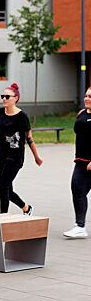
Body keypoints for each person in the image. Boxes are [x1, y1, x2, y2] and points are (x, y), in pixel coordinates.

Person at [0, 82, 43, 214]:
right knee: (7, 189)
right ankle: (26, 208)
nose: (4, 99)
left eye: (7, 97)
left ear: (16, 98)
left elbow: (29, 138)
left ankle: (3, 217)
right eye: (3, 96)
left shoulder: (22, 117)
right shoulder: (0, 112)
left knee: (3, 185)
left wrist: (36, 157)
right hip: (2, 155)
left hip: (15, 157)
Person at [63, 87, 91, 239]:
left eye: (90, 97)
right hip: (81, 161)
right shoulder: (82, 114)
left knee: (79, 192)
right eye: (86, 95)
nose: (87, 98)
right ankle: (80, 226)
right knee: (77, 191)